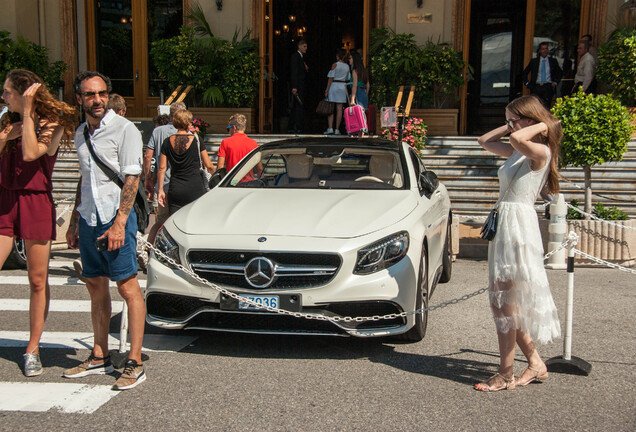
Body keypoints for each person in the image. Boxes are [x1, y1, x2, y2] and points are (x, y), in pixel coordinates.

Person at [64, 71, 147, 390]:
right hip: (89, 219)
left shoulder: (125, 130)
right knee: (95, 287)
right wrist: (74, 220)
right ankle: (99, 355)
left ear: (107, 95)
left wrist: (119, 223)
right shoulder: (80, 132)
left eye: (100, 93)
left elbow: (132, 179)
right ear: (79, 98)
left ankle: (135, 361)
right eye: (89, 94)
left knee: (128, 288)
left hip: (117, 220)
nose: (96, 100)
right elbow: (84, 178)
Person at [475, 95, 562, 392]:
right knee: (507, 303)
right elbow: (483, 140)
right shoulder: (517, 149)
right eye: (508, 120)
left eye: (514, 119)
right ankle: (536, 364)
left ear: (530, 120)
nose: (510, 126)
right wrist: (512, 124)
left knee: (504, 304)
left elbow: (520, 138)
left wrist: (541, 124)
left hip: (519, 227)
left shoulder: (539, 151)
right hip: (506, 223)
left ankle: (505, 373)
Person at [0, 69, 76, 377]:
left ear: (24, 95)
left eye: (7, 92)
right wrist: (6, 134)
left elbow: (32, 153)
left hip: (35, 201)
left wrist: (29, 116)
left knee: (37, 280)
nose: (3, 96)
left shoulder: (52, 124)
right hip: (5, 199)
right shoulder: (6, 122)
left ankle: (33, 347)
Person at [142, 102, 186, 245]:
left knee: (161, 220)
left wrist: (148, 178)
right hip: (182, 182)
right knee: (182, 221)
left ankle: (149, 248)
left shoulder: (158, 131)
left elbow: (148, 156)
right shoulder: (189, 135)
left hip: (164, 183)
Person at [157, 109, 214, 215]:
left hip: (175, 188)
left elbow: (162, 168)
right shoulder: (197, 140)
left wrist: (160, 190)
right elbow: (208, 165)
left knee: (174, 220)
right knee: (195, 219)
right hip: (194, 187)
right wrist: (216, 176)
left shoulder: (167, 142)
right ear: (187, 122)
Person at [217, 113, 262, 183]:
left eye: (229, 129)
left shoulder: (225, 142)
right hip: (248, 183)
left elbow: (220, 167)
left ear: (234, 128)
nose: (229, 132)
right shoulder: (253, 143)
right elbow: (259, 169)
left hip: (231, 183)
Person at [522, 42, 563, 108]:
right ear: (540, 50)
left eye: (546, 49)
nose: (545, 50)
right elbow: (525, 72)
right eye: (543, 49)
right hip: (536, 87)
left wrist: (555, 82)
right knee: (536, 106)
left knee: (546, 106)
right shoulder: (534, 61)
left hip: (547, 87)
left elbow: (560, 72)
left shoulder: (552, 61)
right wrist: (527, 84)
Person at [324, 49, 351, 135]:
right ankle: (337, 129)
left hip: (334, 86)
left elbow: (330, 78)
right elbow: (348, 78)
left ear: (338, 56)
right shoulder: (347, 66)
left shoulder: (335, 65)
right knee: (340, 109)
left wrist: (326, 90)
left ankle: (330, 128)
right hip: (342, 86)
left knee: (331, 108)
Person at [288, 39, 308, 134]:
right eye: (304, 46)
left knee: (297, 106)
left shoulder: (301, 57)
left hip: (301, 86)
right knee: (297, 106)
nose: (306, 48)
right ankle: (296, 127)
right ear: (299, 46)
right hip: (297, 86)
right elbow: (294, 72)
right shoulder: (295, 56)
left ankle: (295, 126)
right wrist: (294, 86)